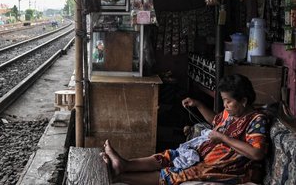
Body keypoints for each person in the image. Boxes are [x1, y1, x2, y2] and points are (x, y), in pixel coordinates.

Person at [101, 74, 269, 185]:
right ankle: (125, 164)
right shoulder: (231, 112)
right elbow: (216, 122)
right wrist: (198, 105)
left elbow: (256, 153)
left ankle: (120, 177)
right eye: (224, 101)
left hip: (225, 165)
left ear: (244, 101)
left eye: (228, 101)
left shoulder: (257, 120)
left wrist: (223, 139)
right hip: (207, 152)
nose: (225, 105)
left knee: (180, 173)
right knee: (170, 156)